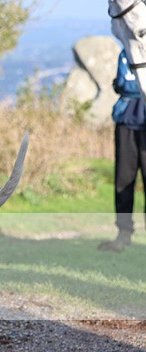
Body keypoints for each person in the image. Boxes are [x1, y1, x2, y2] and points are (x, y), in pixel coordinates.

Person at [100, 49, 146, 252]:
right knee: (123, 182)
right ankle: (123, 234)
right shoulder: (126, 53)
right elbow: (125, 83)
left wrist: (129, 87)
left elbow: (126, 86)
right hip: (126, 123)